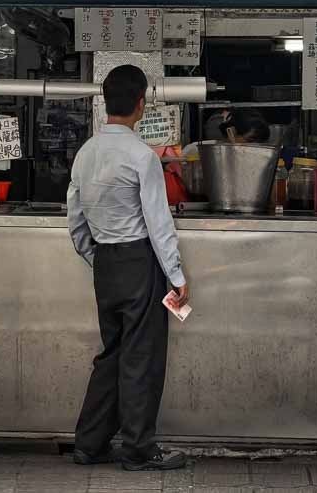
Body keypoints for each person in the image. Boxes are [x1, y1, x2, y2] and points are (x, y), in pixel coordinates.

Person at [67, 64, 188, 472]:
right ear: (140, 105)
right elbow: (158, 221)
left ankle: (89, 443)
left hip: (106, 262)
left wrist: (95, 255)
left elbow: (75, 218)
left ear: (104, 102)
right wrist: (176, 275)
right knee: (141, 356)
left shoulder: (86, 153)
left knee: (113, 353)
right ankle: (138, 447)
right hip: (140, 263)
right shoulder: (142, 156)